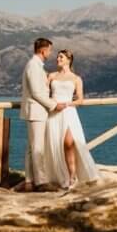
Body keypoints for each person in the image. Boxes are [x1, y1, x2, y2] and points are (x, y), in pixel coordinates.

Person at [17, 37, 68, 192]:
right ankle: (41, 182)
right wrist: (54, 105)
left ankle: (29, 181)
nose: (51, 53)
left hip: (37, 111)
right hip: (36, 112)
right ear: (43, 50)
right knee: (37, 147)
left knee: (32, 148)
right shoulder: (33, 66)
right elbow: (37, 92)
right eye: (50, 50)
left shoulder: (37, 66)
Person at [44, 49, 101, 187]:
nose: (58, 59)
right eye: (57, 57)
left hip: (69, 112)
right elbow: (44, 94)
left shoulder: (76, 79)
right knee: (55, 143)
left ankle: (72, 176)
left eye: (61, 57)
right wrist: (53, 104)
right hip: (54, 112)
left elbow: (80, 100)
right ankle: (58, 175)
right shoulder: (51, 76)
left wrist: (68, 104)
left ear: (69, 60)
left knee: (69, 143)